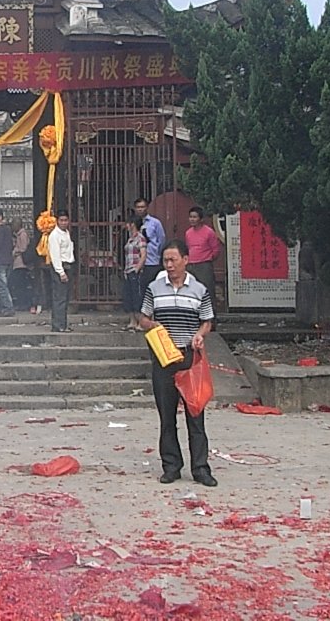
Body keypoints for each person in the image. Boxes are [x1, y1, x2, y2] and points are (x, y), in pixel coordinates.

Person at [139, 239, 217, 488]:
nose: (169, 265)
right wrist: (152, 325)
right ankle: (171, 466)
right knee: (167, 415)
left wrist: (200, 334)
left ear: (186, 260)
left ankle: (201, 468)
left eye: (173, 260)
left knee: (195, 414)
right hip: (163, 357)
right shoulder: (154, 287)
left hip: (188, 356)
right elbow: (143, 318)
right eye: (165, 261)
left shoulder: (199, 290)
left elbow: (207, 320)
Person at [185, 207, 223, 303]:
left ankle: (211, 315)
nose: (192, 219)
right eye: (190, 217)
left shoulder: (209, 232)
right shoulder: (188, 233)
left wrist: (208, 259)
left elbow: (216, 250)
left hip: (204, 265)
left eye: (195, 217)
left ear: (201, 219)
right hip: (190, 265)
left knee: (207, 291)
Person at [46, 209, 75, 333]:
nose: (64, 223)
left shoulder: (66, 233)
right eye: (61, 220)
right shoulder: (55, 235)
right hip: (60, 268)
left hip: (68, 265)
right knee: (59, 298)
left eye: (66, 220)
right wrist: (61, 272)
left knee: (65, 297)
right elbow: (55, 255)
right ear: (57, 221)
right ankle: (58, 325)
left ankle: (63, 323)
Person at [121, 216, 147, 331]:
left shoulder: (140, 238)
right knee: (129, 296)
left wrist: (137, 268)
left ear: (132, 224)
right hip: (128, 270)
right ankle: (132, 321)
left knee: (137, 296)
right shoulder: (130, 238)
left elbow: (143, 254)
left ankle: (140, 322)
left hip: (135, 270)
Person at [135, 198, 165, 286]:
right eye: (138, 207)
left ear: (147, 207)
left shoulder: (155, 223)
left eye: (142, 207)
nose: (140, 209)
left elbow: (161, 240)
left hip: (152, 260)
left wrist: (157, 253)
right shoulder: (133, 223)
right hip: (136, 261)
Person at [9, 218, 33, 314]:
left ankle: (23, 304)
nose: (12, 227)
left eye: (13, 225)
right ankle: (21, 303)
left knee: (20, 285)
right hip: (17, 263)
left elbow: (23, 248)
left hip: (21, 264)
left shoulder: (22, 234)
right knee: (18, 285)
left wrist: (15, 251)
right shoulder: (17, 235)